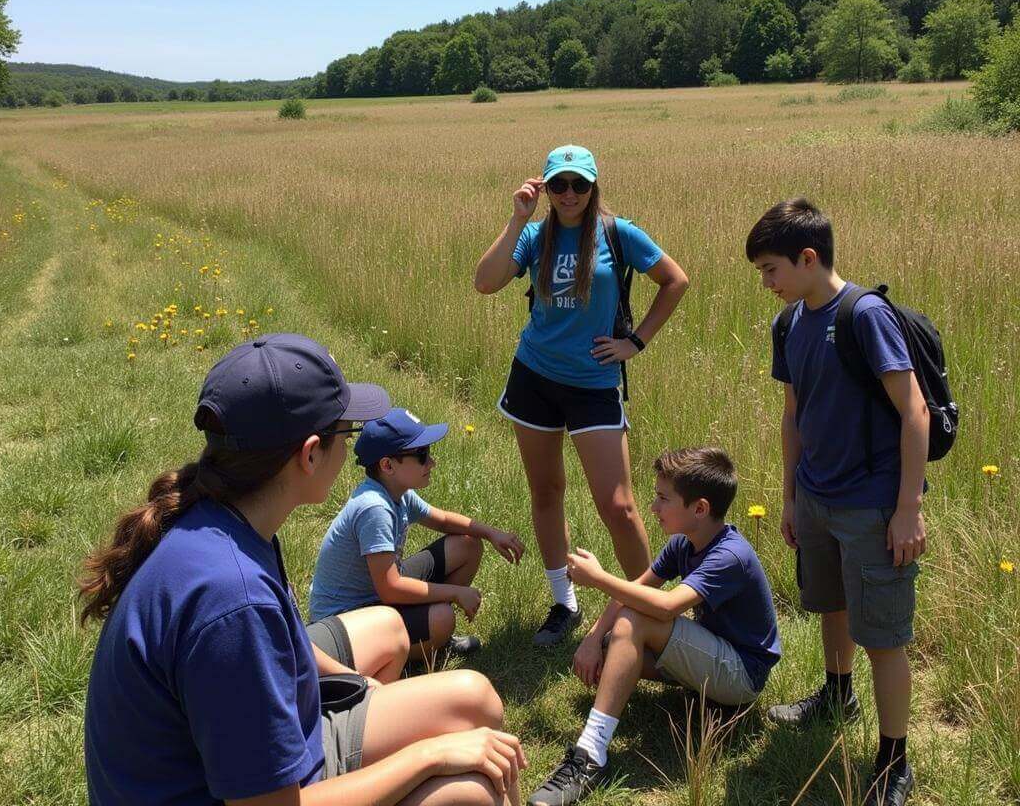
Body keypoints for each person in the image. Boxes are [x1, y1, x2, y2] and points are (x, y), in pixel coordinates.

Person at [82, 333, 526, 806]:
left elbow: (288, 645)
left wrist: (359, 687)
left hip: (279, 748)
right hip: (259, 793)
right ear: (310, 453)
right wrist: (428, 755)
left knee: (474, 697)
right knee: (474, 791)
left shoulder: (229, 521)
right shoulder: (233, 601)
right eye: (346, 432)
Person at [746, 199, 928, 806]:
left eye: (771, 270)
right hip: (817, 497)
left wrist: (907, 508)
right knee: (829, 602)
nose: (767, 284)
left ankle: (893, 759)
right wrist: (791, 496)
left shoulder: (863, 315)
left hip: (872, 504)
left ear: (808, 258)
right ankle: (836, 692)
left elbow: (914, 411)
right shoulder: (790, 323)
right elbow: (794, 412)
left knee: (884, 636)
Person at [474, 145, 688, 647]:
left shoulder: (619, 233)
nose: (569, 194)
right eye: (559, 185)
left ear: (594, 187)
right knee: (546, 492)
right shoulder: (534, 234)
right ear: (545, 188)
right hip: (535, 378)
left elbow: (675, 281)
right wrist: (516, 217)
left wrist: (636, 342)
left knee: (619, 506)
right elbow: (485, 282)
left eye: (579, 184)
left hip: (593, 384)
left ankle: (647, 611)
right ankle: (563, 601)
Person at [526, 447, 781, 806]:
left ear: (700, 508)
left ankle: (590, 754)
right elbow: (639, 587)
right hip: (711, 657)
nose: (653, 507)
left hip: (741, 677)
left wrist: (598, 579)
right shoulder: (684, 543)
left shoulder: (730, 556)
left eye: (663, 498)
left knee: (635, 621)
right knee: (612, 642)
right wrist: (592, 638)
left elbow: (665, 607)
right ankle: (613, 712)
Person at [309, 407, 525, 662]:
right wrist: (454, 593)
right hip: (344, 621)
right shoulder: (374, 508)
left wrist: (491, 533)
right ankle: (414, 647)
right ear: (387, 465)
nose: (432, 462)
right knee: (443, 617)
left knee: (467, 545)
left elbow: (443, 520)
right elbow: (391, 588)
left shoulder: (397, 491)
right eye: (422, 455)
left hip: (376, 595)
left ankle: (429, 638)